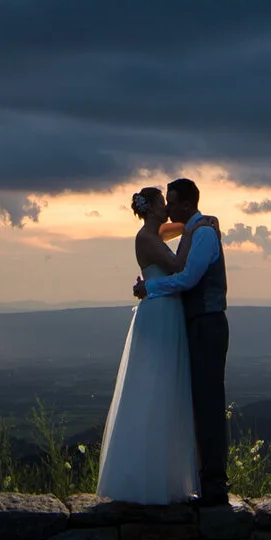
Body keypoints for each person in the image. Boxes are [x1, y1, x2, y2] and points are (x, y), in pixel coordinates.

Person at [93, 186, 198, 503]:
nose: (167, 207)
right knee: (155, 384)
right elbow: (178, 266)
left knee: (163, 384)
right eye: (162, 203)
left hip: (164, 309)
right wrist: (195, 232)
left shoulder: (154, 234)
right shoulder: (146, 239)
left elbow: (176, 227)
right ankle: (149, 478)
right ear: (151, 208)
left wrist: (194, 222)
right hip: (159, 313)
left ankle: (162, 474)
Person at [133, 175, 227, 505]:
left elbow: (187, 278)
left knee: (209, 403)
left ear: (186, 204)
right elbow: (168, 230)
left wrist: (150, 287)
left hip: (207, 324)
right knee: (197, 402)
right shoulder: (195, 228)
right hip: (194, 323)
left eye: (171, 203)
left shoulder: (203, 235)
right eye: (165, 204)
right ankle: (204, 479)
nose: (168, 210)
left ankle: (214, 484)